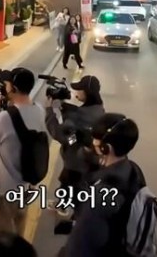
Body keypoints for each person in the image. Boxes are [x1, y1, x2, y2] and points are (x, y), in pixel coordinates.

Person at [60, 113, 145, 257]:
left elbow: (80, 246)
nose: (93, 143)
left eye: (96, 140)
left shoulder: (101, 197)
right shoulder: (133, 170)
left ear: (106, 148)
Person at [0, 67, 47, 236]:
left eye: (7, 84)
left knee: (4, 226)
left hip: (7, 186)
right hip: (28, 182)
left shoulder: (6, 117)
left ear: (14, 88)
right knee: (20, 219)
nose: (5, 87)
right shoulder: (39, 110)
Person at [45, 75, 105, 218]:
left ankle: (76, 217)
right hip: (90, 159)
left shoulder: (77, 117)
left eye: (79, 89)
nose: (76, 92)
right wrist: (66, 108)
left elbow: (60, 135)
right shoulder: (99, 109)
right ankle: (63, 204)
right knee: (69, 183)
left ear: (87, 93)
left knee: (74, 186)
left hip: (76, 160)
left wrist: (49, 111)